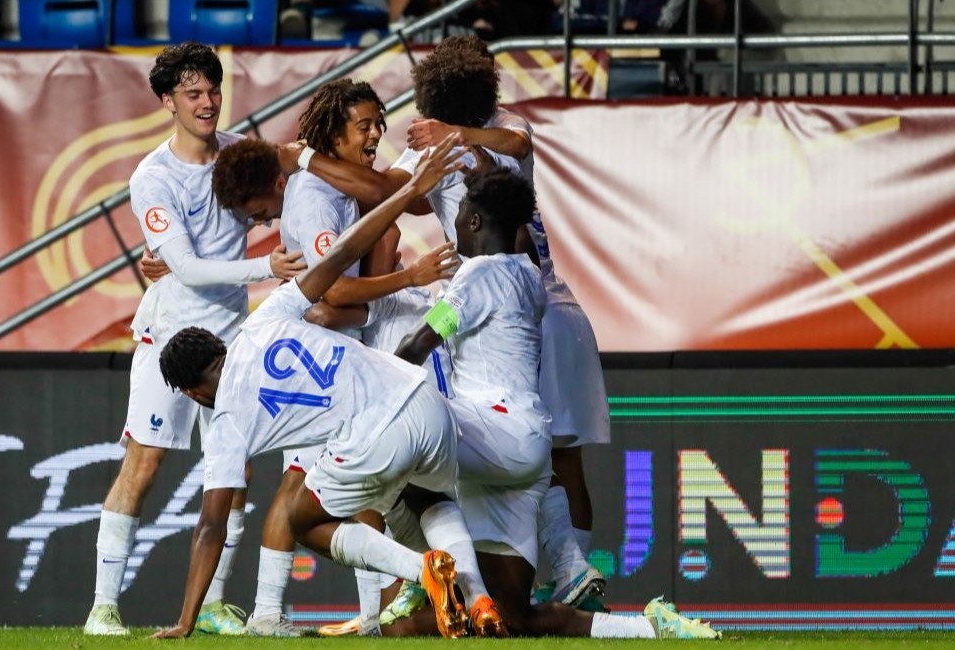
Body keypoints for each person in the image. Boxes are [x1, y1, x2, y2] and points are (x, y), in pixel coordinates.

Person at [151, 134, 507, 640]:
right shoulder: (265, 317)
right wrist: (405, 196)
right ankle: (479, 601)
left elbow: (211, 526)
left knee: (302, 517)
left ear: (190, 391)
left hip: (377, 433)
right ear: (218, 346)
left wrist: (186, 621)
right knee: (425, 501)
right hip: (424, 398)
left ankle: (421, 573)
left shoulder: (226, 421)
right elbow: (341, 255)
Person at [391, 166, 719, 640]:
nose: (455, 221)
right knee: (515, 618)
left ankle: (416, 574)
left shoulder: (475, 277)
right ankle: (650, 628)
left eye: (460, 213)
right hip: (527, 456)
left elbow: (414, 348)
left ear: (477, 222)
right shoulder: (529, 275)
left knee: (396, 450)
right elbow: (520, 236)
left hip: (488, 431)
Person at [83, 42, 306, 637]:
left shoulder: (239, 154)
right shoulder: (153, 178)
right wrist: (267, 269)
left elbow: (293, 181)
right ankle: (103, 606)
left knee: (234, 471)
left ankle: (213, 603)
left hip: (229, 338)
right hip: (169, 337)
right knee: (145, 462)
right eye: (192, 94)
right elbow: (184, 267)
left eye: (212, 91)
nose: (207, 103)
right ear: (167, 102)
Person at [404, 34, 610, 611]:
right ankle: (566, 574)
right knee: (552, 456)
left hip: (526, 319)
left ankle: (443, 581)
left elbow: (515, 141)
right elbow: (397, 192)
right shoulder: (438, 137)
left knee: (434, 454)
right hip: (540, 306)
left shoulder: (499, 130)